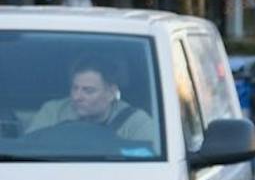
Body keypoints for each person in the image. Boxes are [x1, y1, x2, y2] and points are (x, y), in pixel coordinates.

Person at [26, 54, 157, 144]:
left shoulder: (135, 122)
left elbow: (149, 164)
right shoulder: (53, 112)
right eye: (75, 88)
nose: (77, 97)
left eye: (88, 91)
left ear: (111, 93)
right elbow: (29, 149)